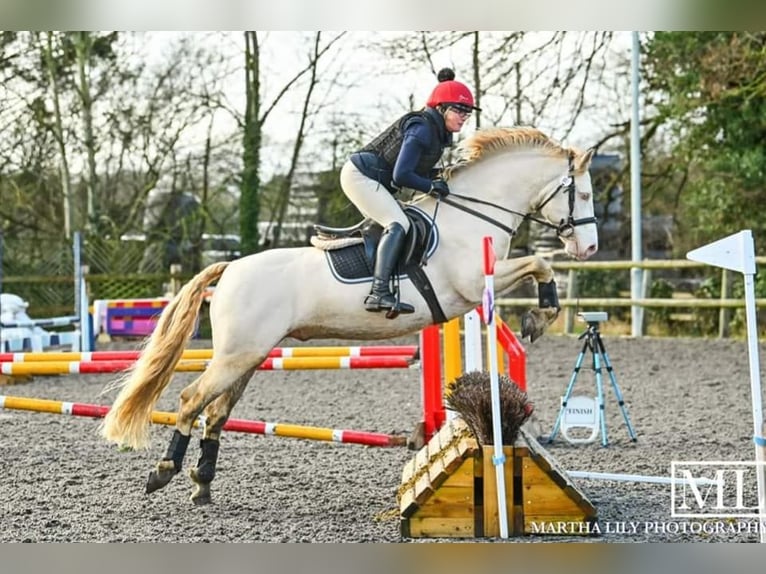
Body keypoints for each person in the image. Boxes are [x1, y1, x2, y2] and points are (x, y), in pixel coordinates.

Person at [340, 67, 479, 315]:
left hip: (374, 179)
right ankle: (379, 293)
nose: (463, 117)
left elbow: (415, 171)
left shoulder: (435, 132)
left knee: (401, 221)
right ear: (441, 108)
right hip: (359, 176)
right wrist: (431, 186)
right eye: (459, 110)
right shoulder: (422, 129)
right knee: (398, 223)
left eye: (467, 113)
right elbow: (401, 175)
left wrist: (443, 176)